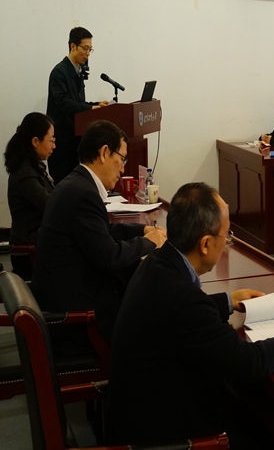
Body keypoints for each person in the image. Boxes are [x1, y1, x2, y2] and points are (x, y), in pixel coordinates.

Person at [108, 182, 274, 448]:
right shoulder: (183, 299)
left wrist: (228, 301)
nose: (226, 243)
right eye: (226, 236)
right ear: (205, 243)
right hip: (167, 437)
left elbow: (178, 316)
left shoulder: (157, 264)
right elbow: (248, 363)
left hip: (137, 415)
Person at [32, 120, 167, 345]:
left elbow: (102, 232)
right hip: (77, 318)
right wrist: (149, 243)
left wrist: (142, 229)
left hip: (64, 297)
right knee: (154, 317)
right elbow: (109, 257)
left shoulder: (75, 183)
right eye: (122, 159)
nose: (123, 168)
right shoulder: (83, 193)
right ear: (104, 153)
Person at [46, 27, 109, 183]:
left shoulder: (78, 71)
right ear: (73, 46)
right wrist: (90, 108)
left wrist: (96, 105)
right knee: (64, 187)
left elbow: (77, 103)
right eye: (85, 48)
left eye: (90, 49)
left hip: (75, 141)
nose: (88, 53)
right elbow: (63, 102)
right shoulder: (59, 72)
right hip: (62, 143)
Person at [4, 113, 56, 280]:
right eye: (51, 140)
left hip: (39, 242)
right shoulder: (24, 173)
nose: (54, 146)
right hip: (29, 252)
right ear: (35, 141)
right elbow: (49, 204)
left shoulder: (33, 166)